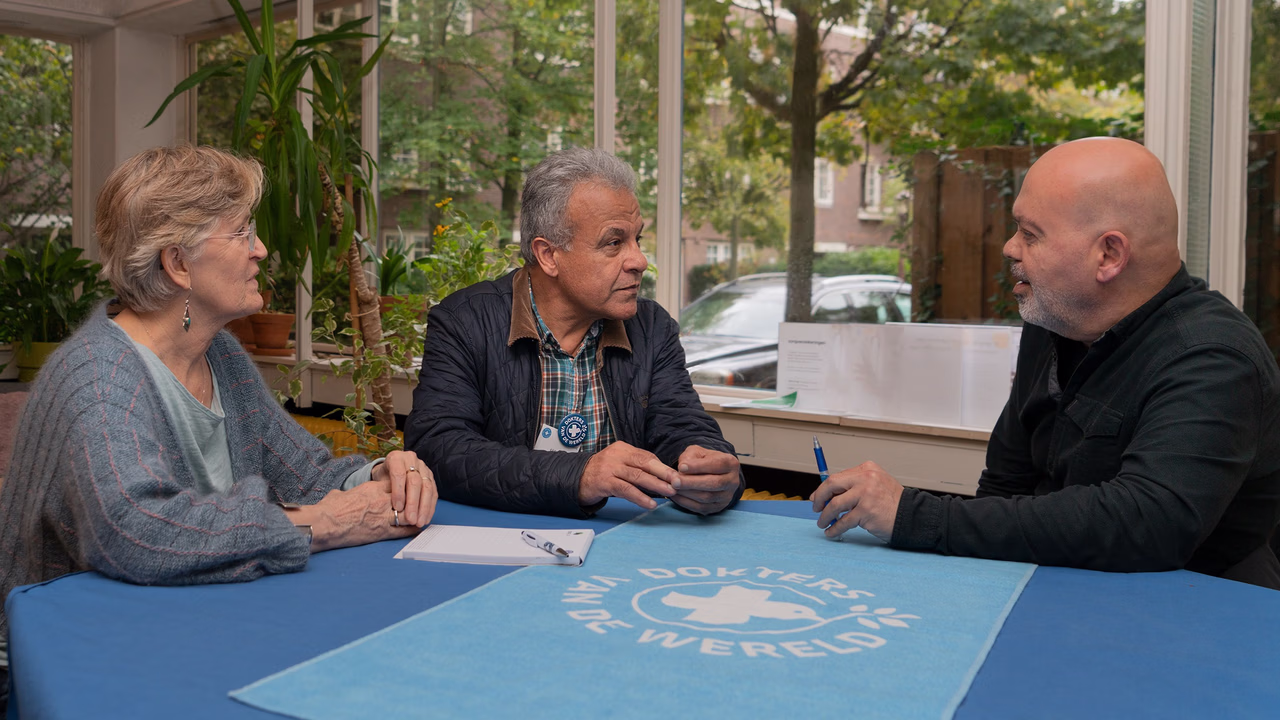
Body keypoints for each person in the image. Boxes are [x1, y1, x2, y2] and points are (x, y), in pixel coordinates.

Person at [0, 146, 439, 708]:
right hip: (76, 660)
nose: (261, 249)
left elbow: (304, 470)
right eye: (241, 234)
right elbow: (135, 532)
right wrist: (325, 522)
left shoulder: (221, 356)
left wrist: (381, 474)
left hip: (182, 621)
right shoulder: (96, 375)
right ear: (177, 263)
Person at [812, 137, 1280, 590]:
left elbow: (1150, 523)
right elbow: (1005, 484)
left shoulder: (1213, 357)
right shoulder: (1054, 321)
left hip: (1198, 619)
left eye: (1030, 234)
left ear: (1109, 254)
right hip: (1056, 593)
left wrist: (912, 515)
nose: (1009, 248)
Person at [405, 147, 742, 518]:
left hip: (623, 548)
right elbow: (440, 450)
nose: (640, 261)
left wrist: (710, 467)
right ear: (549, 255)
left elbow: (681, 426)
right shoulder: (465, 321)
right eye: (614, 243)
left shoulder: (651, 328)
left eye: (637, 240)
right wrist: (578, 475)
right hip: (504, 546)